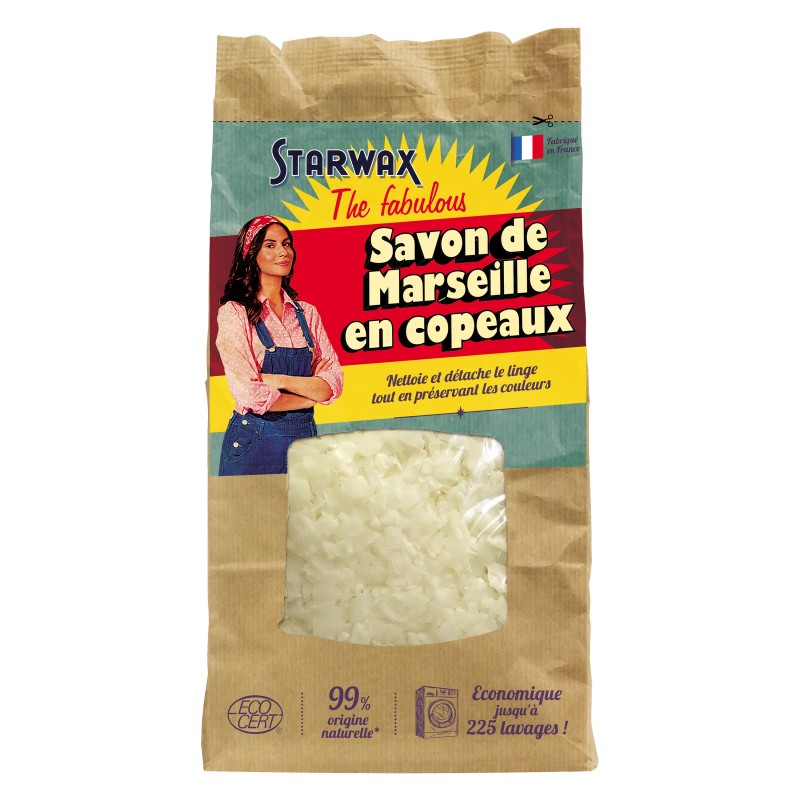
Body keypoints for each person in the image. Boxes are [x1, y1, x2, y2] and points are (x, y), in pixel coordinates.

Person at [216, 215, 343, 475]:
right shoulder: (235, 313)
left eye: (286, 244)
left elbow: (333, 384)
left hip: (304, 442)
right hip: (252, 443)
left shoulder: (308, 313)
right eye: (270, 245)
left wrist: (278, 380)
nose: (283, 252)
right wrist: (309, 397)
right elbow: (249, 394)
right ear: (251, 254)